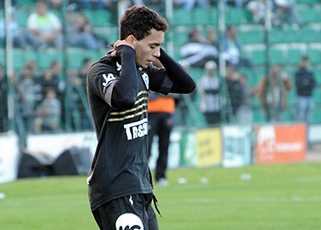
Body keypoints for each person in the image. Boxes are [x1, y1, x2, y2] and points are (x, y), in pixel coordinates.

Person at [85, 6, 195, 230]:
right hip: (116, 187)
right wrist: (127, 52)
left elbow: (187, 85)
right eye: (153, 46)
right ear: (131, 40)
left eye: (159, 46)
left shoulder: (141, 72)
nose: (156, 54)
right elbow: (123, 98)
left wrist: (157, 51)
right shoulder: (101, 71)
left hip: (140, 185)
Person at [147, 92, 176, 186]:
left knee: (164, 146)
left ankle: (161, 176)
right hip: (150, 112)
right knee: (146, 146)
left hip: (167, 112)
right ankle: (143, 175)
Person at [294, 56, 316, 146]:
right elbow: (299, 84)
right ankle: (299, 140)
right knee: (300, 120)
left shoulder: (310, 73)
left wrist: (306, 83)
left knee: (308, 121)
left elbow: (313, 84)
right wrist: (306, 83)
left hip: (309, 97)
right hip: (301, 97)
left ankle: (306, 141)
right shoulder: (298, 73)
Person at [198, 60, 222, 125]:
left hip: (216, 106)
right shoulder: (203, 80)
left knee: (216, 124)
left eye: (212, 70)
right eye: (209, 70)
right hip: (206, 106)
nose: (211, 72)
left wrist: (210, 91)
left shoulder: (217, 80)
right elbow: (202, 91)